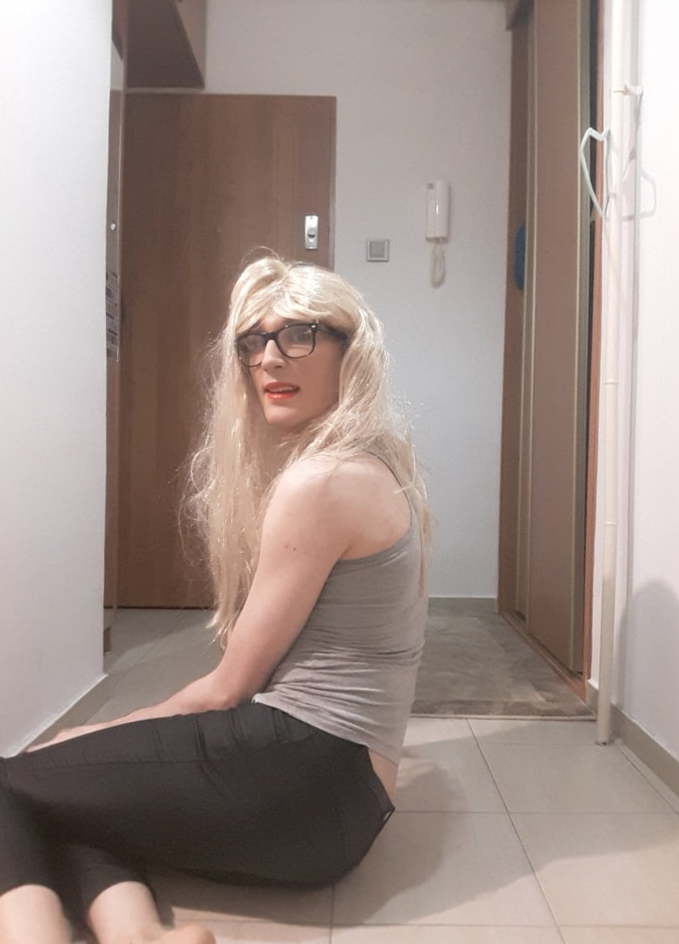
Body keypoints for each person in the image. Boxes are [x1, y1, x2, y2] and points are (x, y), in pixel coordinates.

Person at [0, 253, 431, 944]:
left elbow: (228, 688)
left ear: (350, 352)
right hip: (343, 796)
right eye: (254, 341)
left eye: (298, 334)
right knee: (70, 797)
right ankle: (139, 935)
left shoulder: (321, 482)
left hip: (308, 776)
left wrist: (98, 732)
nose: (269, 358)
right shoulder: (372, 464)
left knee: (13, 781)